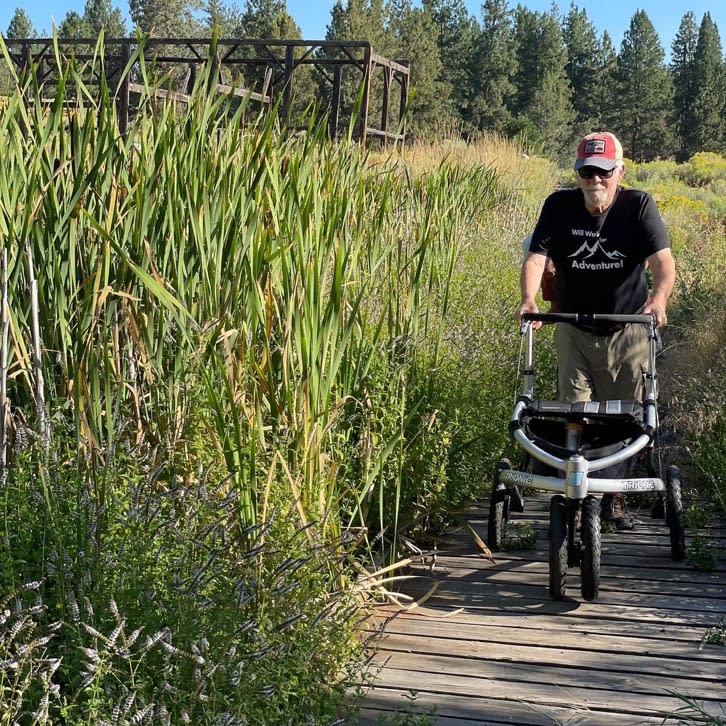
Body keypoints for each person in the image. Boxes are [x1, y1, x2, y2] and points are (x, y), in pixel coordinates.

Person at [517, 131, 676, 530]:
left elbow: (663, 262)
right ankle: (578, 496)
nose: (596, 181)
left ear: (619, 170)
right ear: (578, 174)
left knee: (627, 420)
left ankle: (615, 497)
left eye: (604, 171)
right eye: (588, 172)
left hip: (628, 330)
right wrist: (530, 299)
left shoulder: (638, 206)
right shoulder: (558, 205)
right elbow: (537, 256)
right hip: (573, 327)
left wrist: (658, 301)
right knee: (576, 414)